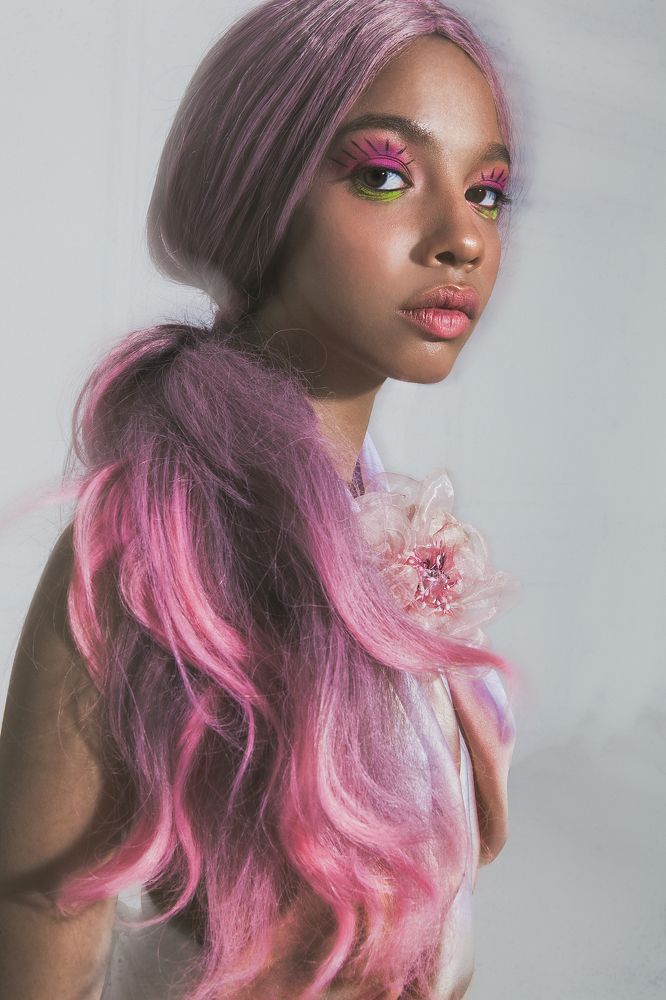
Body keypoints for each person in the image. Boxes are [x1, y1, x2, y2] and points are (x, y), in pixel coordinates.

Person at [0, 1, 524, 997]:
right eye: (385, 175)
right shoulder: (145, 551)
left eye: (489, 191)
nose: (462, 237)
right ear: (261, 184)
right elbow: (40, 936)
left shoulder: (397, 526)